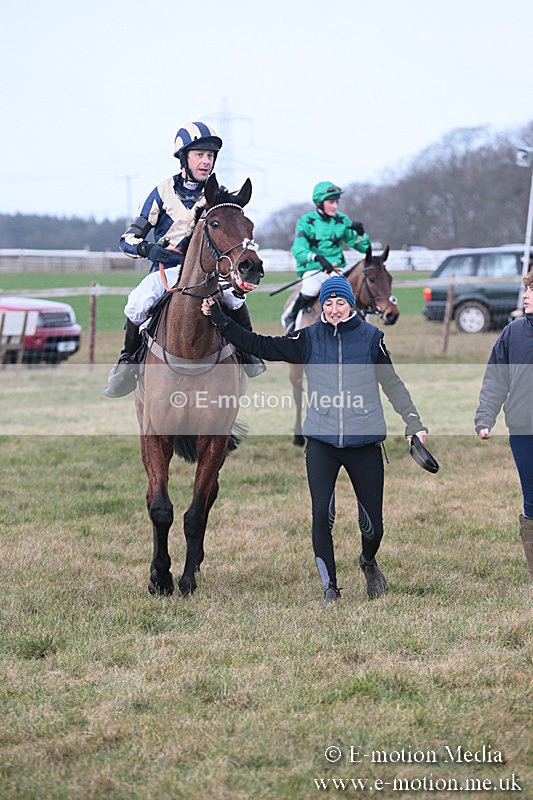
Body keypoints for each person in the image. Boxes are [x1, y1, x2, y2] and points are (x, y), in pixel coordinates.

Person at [201, 274, 429, 605]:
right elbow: (260, 344)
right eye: (328, 303)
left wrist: (413, 423)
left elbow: (392, 384)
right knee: (321, 516)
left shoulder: (371, 339)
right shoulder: (308, 338)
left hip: (364, 443)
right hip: (321, 443)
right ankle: (330, 588)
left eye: (341, 302)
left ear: (351, 304)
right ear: (321, 305)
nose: (334, 309)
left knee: (373, 527)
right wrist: (221, 320)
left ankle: (368, 561)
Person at [103, 121, 261, 398]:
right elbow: (127, 240)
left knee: (235, 300)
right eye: (199, 154)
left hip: (209, 273)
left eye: (210, 156)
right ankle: (127, 362)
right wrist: (149, 250)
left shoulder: (218, 194)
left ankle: (248, 353)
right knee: (137, 302)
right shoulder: (162, 192)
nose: (206, 161)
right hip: (167, 272)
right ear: (183, 158)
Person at [475, 270, 533, 580]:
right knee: (532, 500)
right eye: (526, 289)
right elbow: (496, 378)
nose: (526, 295)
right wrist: (485, 417)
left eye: (532, 290)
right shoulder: (513, 333)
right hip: (523, 430)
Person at [283, 181, 372, 334]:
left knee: (357, 292)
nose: (335, 206)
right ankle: (291, 318)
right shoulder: (305, 221)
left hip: (337, 270)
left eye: (337, 202)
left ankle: (365, 329)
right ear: (319, 202)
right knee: (311, 288)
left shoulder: (342, 220)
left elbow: (364, 249)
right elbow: (298, 249)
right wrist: (317, 258)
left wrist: (361, 234)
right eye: (331, 202)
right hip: (314, 269)